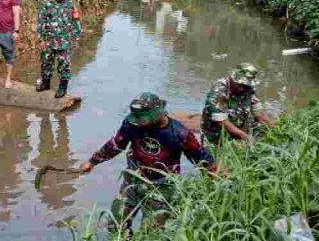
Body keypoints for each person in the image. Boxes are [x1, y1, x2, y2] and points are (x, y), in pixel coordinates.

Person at [80, 93, 218, 233]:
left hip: (161, 187)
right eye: (138, 119)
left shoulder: (179, 133)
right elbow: (116, 144)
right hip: (133, 181)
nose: (140, 123)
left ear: (158, 113)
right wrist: (92, 162)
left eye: (143, 119)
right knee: (116, 224)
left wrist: (213, 173)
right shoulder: (132, 124)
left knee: (151, 234)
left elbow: (200, 157)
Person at [201, 63, 274, 146]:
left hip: (239, 129)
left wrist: (273, 127)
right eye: (239, 85)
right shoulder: (220, 89)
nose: (242, 89)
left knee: (262, 130)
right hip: (216, 134)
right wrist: (244, 136)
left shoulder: (249, 88)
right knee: (213, 155)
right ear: (232, 78)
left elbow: (258, 113)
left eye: (245, 86)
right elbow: (221, 121)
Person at [36, 0, 82, 98]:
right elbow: (41, 22)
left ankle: (62, 88)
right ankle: (46, 84)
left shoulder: (70, 4)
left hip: (65, 41)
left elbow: (76, 20)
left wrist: (76, 37)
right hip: (49, 40)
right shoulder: (46, 4)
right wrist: (41, 39)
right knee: (46, 63)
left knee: (64, 65)